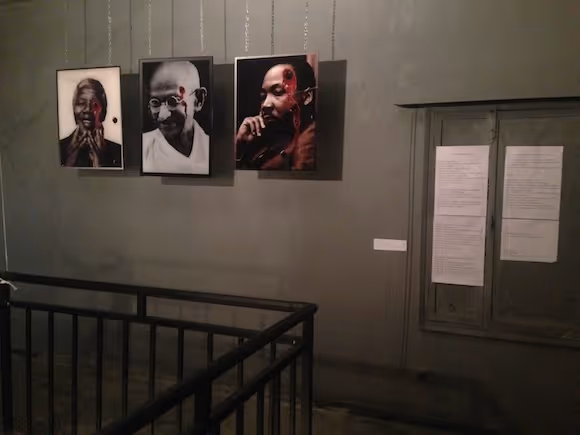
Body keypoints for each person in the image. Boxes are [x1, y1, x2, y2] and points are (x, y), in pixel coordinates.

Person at [235, 57, 317, 170]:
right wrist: (240, 146)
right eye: (263, 96)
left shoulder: (310, 143)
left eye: (278, 92)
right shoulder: (268, 139)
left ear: (306, 96)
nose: (265, 104)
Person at [142, 61, 210, 175]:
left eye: (173, 101)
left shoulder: (213, 149)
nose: (162, 115)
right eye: (155, 102)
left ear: (198, 100)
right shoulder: (144, 148)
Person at [60, 78, 122, 168]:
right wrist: (69, 161)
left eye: (95, 105)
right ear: (74, 109)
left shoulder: (118, 151)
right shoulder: (60, 148)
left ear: (104, 112)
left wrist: (100, 163)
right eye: (81, 103)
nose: (88, 109)